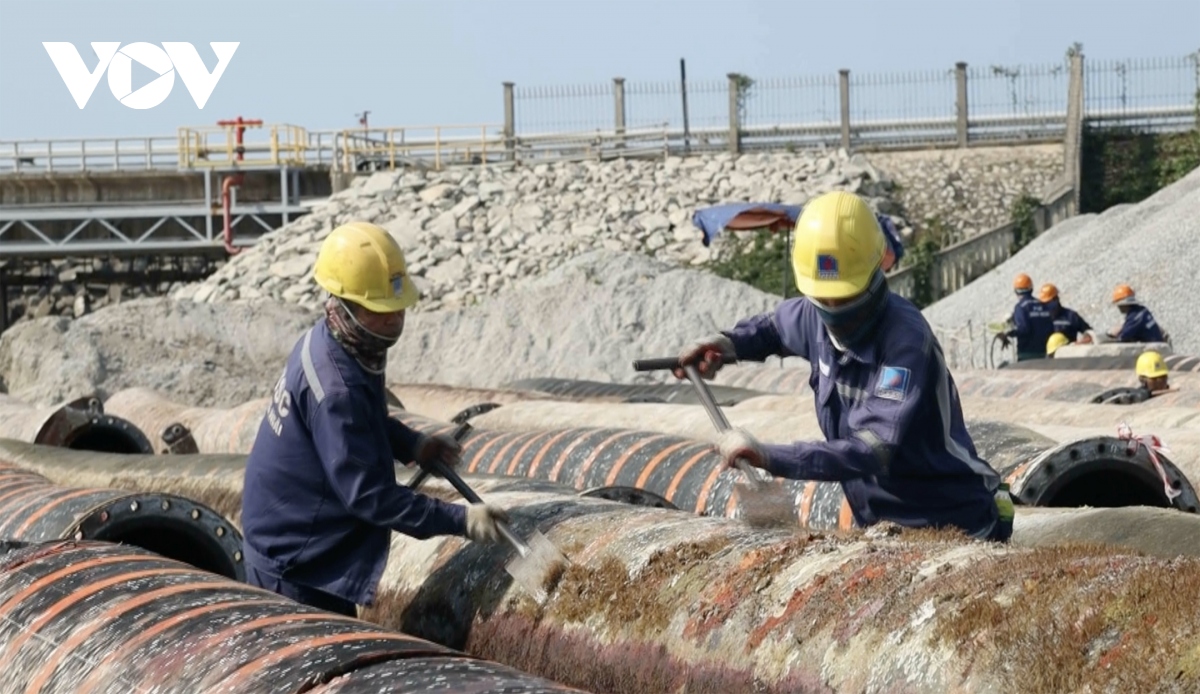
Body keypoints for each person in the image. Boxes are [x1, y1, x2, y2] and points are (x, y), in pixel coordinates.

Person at [675, 190, 1011, 543]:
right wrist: (727, 344)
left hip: (952, 522)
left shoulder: (905, 343)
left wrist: (768, 456)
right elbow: (773, 328)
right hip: (885, 527)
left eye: (846, 298)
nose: (833, 310)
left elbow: (871, 448)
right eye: (823, 298)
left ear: (874, 270)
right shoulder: (813, 314)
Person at [240, 221, 510, 617]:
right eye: (380, 309)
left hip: (296, 539)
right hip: (295, 565)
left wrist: (413, 445)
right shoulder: (336, 388)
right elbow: (369, 497)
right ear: (345, 303)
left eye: (397, 307)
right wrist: (462, 520)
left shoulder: (340, 340)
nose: (394, 319)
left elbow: (365, 420)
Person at [1000, 273, 1055, 361]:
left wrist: (1009, 333)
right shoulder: (1043, 305)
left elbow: (1024, 329)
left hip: (1027, 354)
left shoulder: (1020, 307)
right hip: (1045, 352)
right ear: (1031, 288)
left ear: (1016, 290)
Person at [1090, 351, 1173, 405]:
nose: (1160, 382)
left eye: (1163, 377)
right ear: (1142, 379)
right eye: (1154, 379)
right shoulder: (1134, 396)